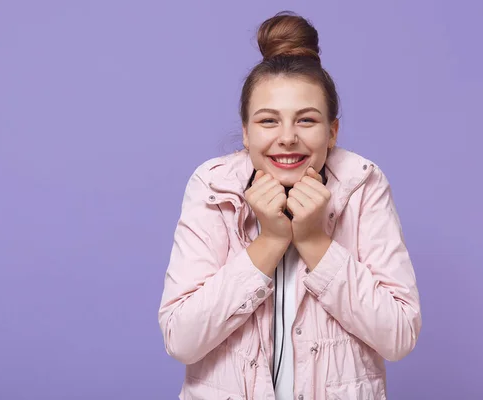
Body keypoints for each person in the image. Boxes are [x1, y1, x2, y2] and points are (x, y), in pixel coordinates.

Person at [158, 11, 421, 400]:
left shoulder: (363, 183)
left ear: (332, 131)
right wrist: (269, 242)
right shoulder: (213, 186)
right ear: (246, 132)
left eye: (307, 120)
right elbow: (181, 339)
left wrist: (315, 241)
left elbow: (398, 335)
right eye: (268, 121)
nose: (287, 138)